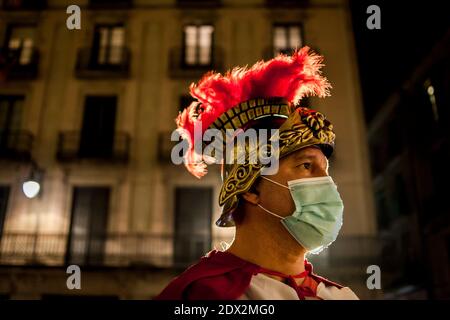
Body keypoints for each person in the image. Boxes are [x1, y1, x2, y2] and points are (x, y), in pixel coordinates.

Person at [155, 47, 359, 300]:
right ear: (250, 188)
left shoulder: (343, 296)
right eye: (306, 166)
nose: (326, 182)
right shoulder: (202, 295)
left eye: (325, 170)